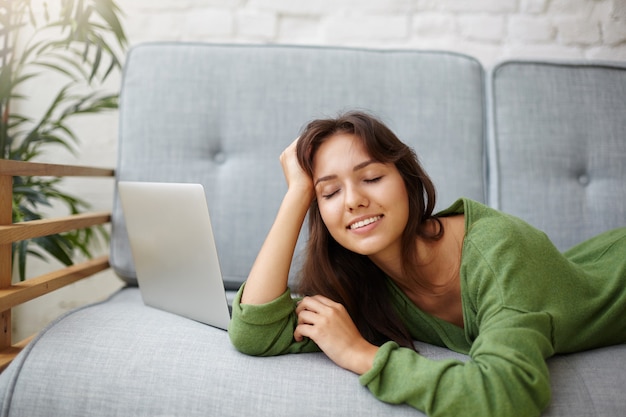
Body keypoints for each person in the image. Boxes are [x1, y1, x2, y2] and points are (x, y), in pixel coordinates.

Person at [228, 111, 626, 417]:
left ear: (406, 178)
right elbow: (254, 333)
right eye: (329, 192)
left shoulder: (497, 253)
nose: (352, 201)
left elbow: (509, 395)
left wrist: (361, 354)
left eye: (370, 178)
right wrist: (297, 195)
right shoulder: (366, 278)